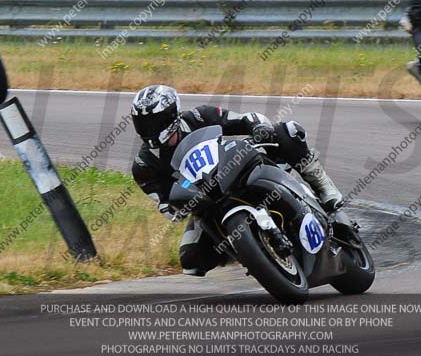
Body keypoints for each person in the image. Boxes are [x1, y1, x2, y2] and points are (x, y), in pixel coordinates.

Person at [130, 84, 343, 276]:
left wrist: (259, 127)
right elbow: (164, 201)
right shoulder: (143, 165)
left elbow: (245, 119)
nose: (149, 128)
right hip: (204, 202)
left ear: (171, 115)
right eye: (142, 123)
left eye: (154, 121)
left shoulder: (198, 116)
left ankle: (323, 186)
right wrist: (175, 208)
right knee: (192, 260)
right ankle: (251, 251)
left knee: (286, 131)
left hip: (233, 169)